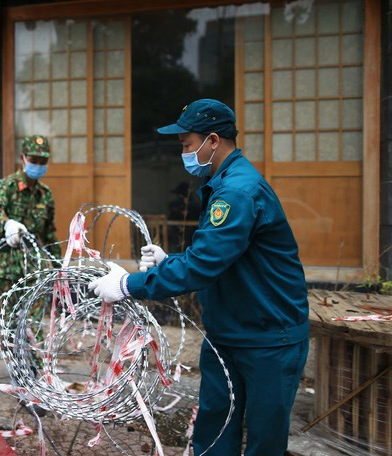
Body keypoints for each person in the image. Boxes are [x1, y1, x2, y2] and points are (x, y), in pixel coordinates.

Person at [89, 99, 309, 456]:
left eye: (187, 145)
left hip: (269, 337)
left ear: (212, 141)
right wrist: (168, 261)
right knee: (214, 429)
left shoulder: (237, 191)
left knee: (263, 442)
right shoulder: (221, 183)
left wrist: (127, 285)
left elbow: (204, 265)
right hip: (229, 332)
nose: (185, 154)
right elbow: (221, 257)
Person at [0, 134, 62, 302]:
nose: (38, 165)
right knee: (7, 324)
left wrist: (58, 266)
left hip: (36, 266)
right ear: (23, 158)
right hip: (6, 266)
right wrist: (7, 224)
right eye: (34, 160)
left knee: (34, 325)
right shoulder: (6, 186)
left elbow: (50, 232)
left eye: (43, 162)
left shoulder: (45, 194)